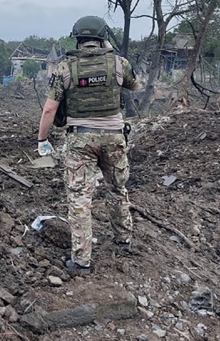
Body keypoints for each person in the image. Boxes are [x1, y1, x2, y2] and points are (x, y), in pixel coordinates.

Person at [36, 15, 141, 275]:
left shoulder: (63, 68)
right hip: (115, 136)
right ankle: (124, 239)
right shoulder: (119, 63)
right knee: (117, 189)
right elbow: (135, 86)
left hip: (80, 139)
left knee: (80, 198)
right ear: (103, 36)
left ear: (78, 39)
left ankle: (82, 260)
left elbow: (50, 109)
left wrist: (42, 140)